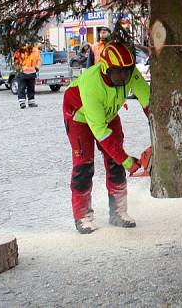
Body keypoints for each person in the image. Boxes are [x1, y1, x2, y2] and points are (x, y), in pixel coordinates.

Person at [63, 42, 150, 234]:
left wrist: (160, 137)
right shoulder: (90, 84)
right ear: (105, 68)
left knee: (115, 162)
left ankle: (118, 211)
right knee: (84, 165)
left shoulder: (129, 73)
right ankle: (82, 216)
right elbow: (100, 132)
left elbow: (148, 102)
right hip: (80, 116)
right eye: (118, 72)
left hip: (108, 114)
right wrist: (128, 161)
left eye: (127, 72)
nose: (123, 77)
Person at [13, 41, 41, 109]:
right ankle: (22, 103)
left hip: (31, 72)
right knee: (22, 88)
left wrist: (37, 67)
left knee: (31, 88)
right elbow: (16, 59)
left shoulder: (36, 51)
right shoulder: (21, 50)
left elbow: (39, 60)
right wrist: (17, 66)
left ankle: (31, 102)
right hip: (23, 72)